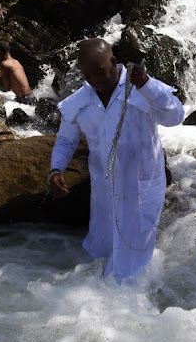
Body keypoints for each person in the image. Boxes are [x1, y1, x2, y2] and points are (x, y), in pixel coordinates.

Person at [48, 38, 185, 283]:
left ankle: (134, 310)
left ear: (113, 61)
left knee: (136, 264)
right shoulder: (80, 101)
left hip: (141, 188)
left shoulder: (142, 87)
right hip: (104, 192)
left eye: (100, 72)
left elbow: (175, 116)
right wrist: (55, 170)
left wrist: (147, 85)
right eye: (89, 76)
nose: (96, 81)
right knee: (102, 254)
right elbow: (66, 141)